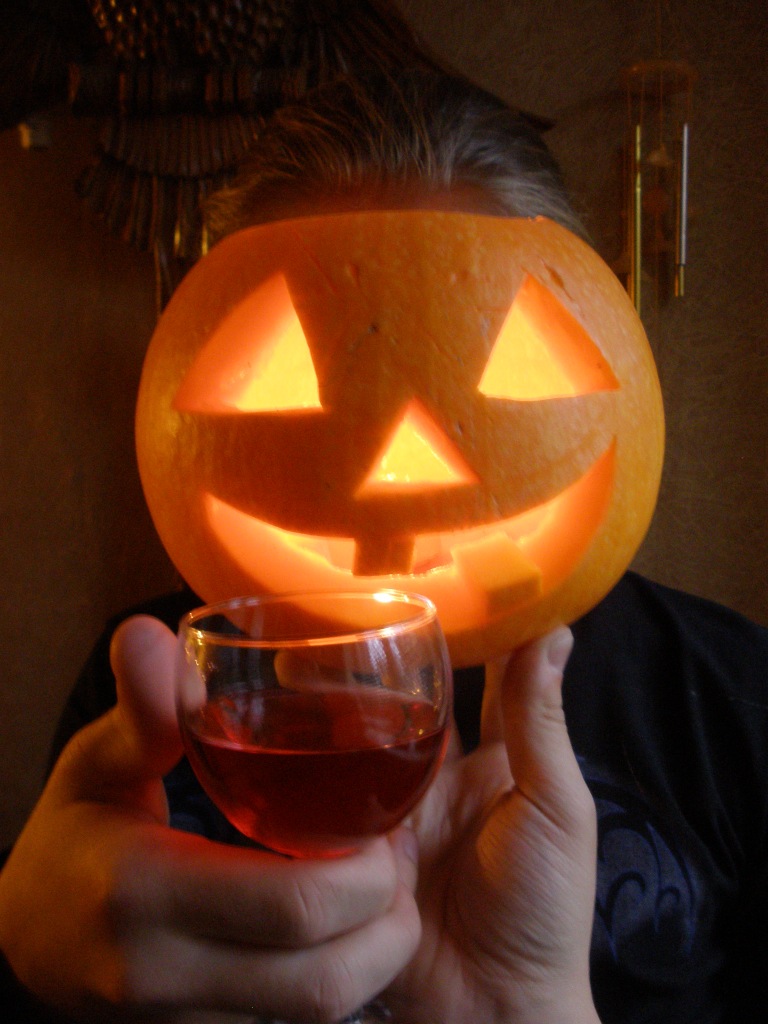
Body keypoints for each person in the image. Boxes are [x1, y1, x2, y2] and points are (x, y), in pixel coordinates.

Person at [1, 68, 767, 1024]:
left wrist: (527, 1011)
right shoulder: (161, 693)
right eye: (286, 376)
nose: (398, 468)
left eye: (509, 365)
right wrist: (23, 964)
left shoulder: (734, 696)